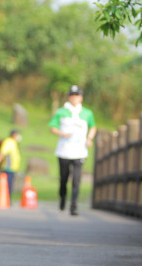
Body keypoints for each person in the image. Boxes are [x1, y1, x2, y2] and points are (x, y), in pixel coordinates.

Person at [49, 84, 96, 216]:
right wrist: (62, 134)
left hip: (80, 151)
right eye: (72, 95)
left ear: (81, 97)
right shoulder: (61, 112)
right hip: (64, 150)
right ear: (69, 97)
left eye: (77, 95)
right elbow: (52, 127)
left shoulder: (87, 113)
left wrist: (89, 138)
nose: (74, 98)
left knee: (76, 180)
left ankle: (74, 205)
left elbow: (93, 127)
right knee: (63, 179)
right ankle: (63, 197)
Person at [0, 129, 22, 195]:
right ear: (14, 135)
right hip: (8, 168)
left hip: (13, 169)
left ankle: (7, 201)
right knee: (7, 186)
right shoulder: (9, 142)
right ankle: (5, 201)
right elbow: (2, 153)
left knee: (9, 186)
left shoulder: (14, 143)